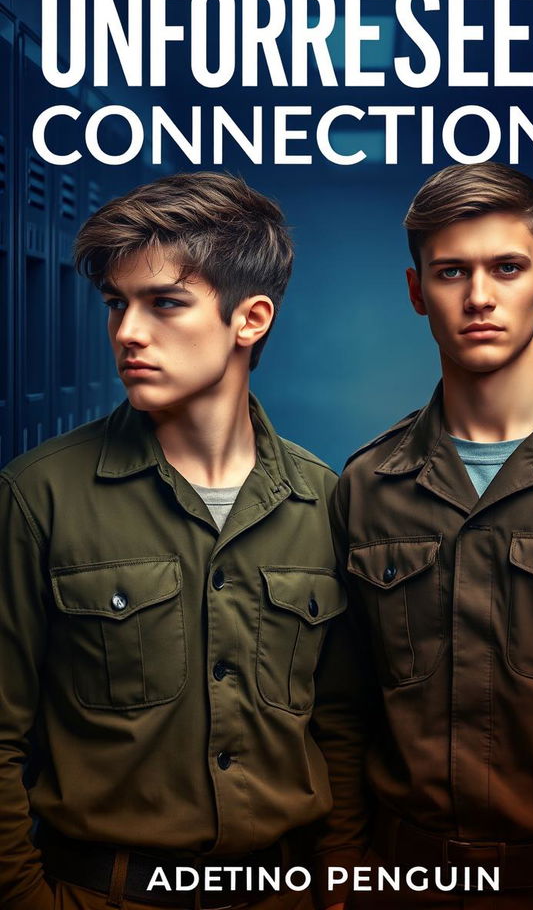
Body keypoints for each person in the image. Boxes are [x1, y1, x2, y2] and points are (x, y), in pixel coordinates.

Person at [0, 172, 345, 910]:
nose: (127, 331)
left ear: (249, 319)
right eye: (117, 305)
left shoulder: (327, 501)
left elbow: (342, 726)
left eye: (164, 303)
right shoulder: (39, 496)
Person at [322, 162, 533, 909]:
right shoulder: (368, 485)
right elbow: (344, 708)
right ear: (415, 293)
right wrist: (338, 876)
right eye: (450, 272)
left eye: (506, 267)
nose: (479, 297)